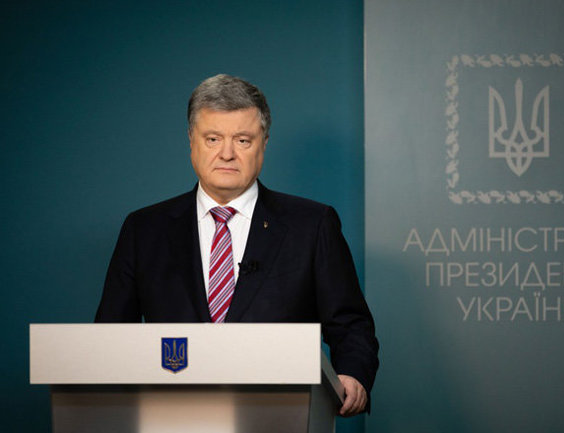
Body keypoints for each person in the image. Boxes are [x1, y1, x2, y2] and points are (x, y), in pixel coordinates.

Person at [95, 74, 379, 416]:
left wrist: (352, 375)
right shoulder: (144, 229)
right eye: (213, 139)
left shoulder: (312, 224)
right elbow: (109, 337)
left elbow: (350, 324)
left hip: (280, 411)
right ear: (191, 140)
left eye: (243, 140)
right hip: (170, 411)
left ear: (264, 143)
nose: (226, 154)